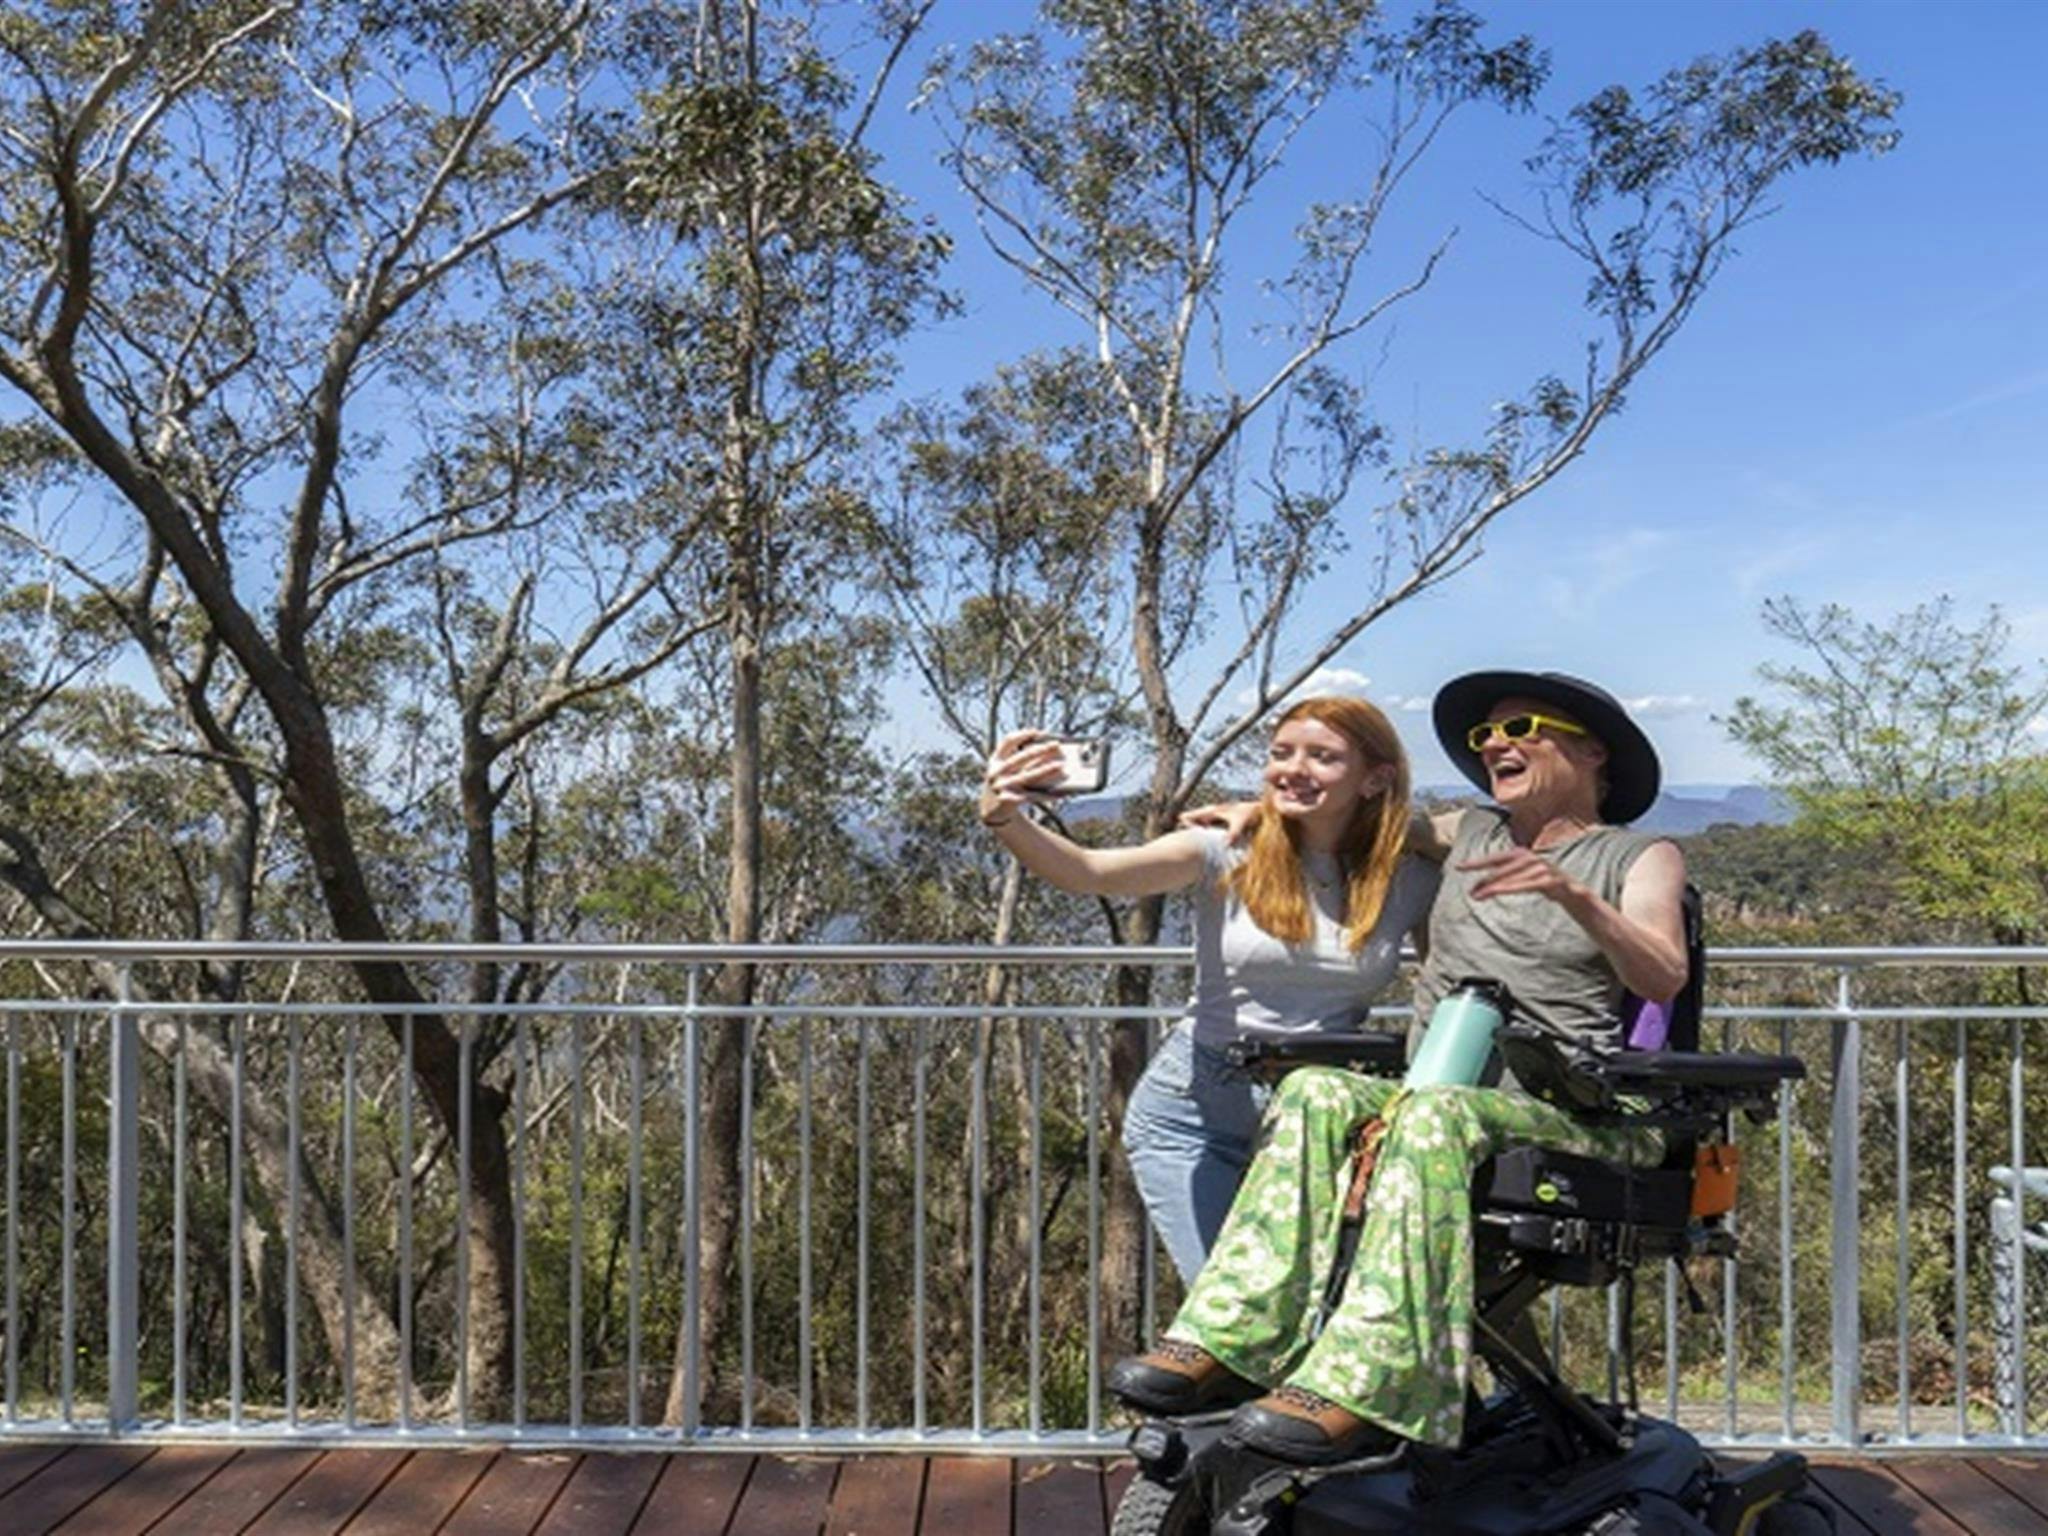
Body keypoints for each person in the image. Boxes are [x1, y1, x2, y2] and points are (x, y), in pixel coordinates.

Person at [1108, 670, 1688, 1465]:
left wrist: (1576, 896)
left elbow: (1662, 975)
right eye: (1485, 735)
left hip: (1574, 1115)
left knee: (1429, 1113)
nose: (1493, 745)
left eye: (1519, 730)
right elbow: (1352, 818)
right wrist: (1257, 811)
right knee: (1314, 1089)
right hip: (1441, 1101)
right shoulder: (1467, 834)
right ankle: (1234, 1339)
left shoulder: (1640, 855)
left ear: (1591, 751)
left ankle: (1371, 1383)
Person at [979, 696, 1441, 1284]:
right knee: (1234, 1308)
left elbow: (1448, 973)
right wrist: (1004, 816)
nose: (1292, 769)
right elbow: (1088, 872)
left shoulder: (1411, 877)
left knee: (1316, 1307)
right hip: (1193, 1112)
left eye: (1322, 757)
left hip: (1318, 1118)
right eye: (1281, 753)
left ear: (1376, 778)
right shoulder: (1223, 850)